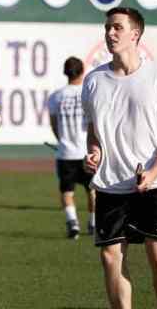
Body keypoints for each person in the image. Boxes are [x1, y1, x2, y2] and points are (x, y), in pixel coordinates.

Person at [82, 7, 157, 309]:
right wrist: (95, 151)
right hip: (110, 183)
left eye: (117, 27)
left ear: (135, 34)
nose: (110, 33)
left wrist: (153, 172)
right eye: (107, 28)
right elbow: (93, 131)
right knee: (110, 256)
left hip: (156, 182)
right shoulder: (93, 81)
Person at [47, 56, 96, 239]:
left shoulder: (56, 96)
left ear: (65, 72)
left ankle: (73, 224)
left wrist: (62, 140)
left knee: (67, 192)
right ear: (82, 71)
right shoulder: (89, 93)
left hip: (65, 153)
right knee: (92, 190)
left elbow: (54, 124)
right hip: (86, 152)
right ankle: (93, 223)